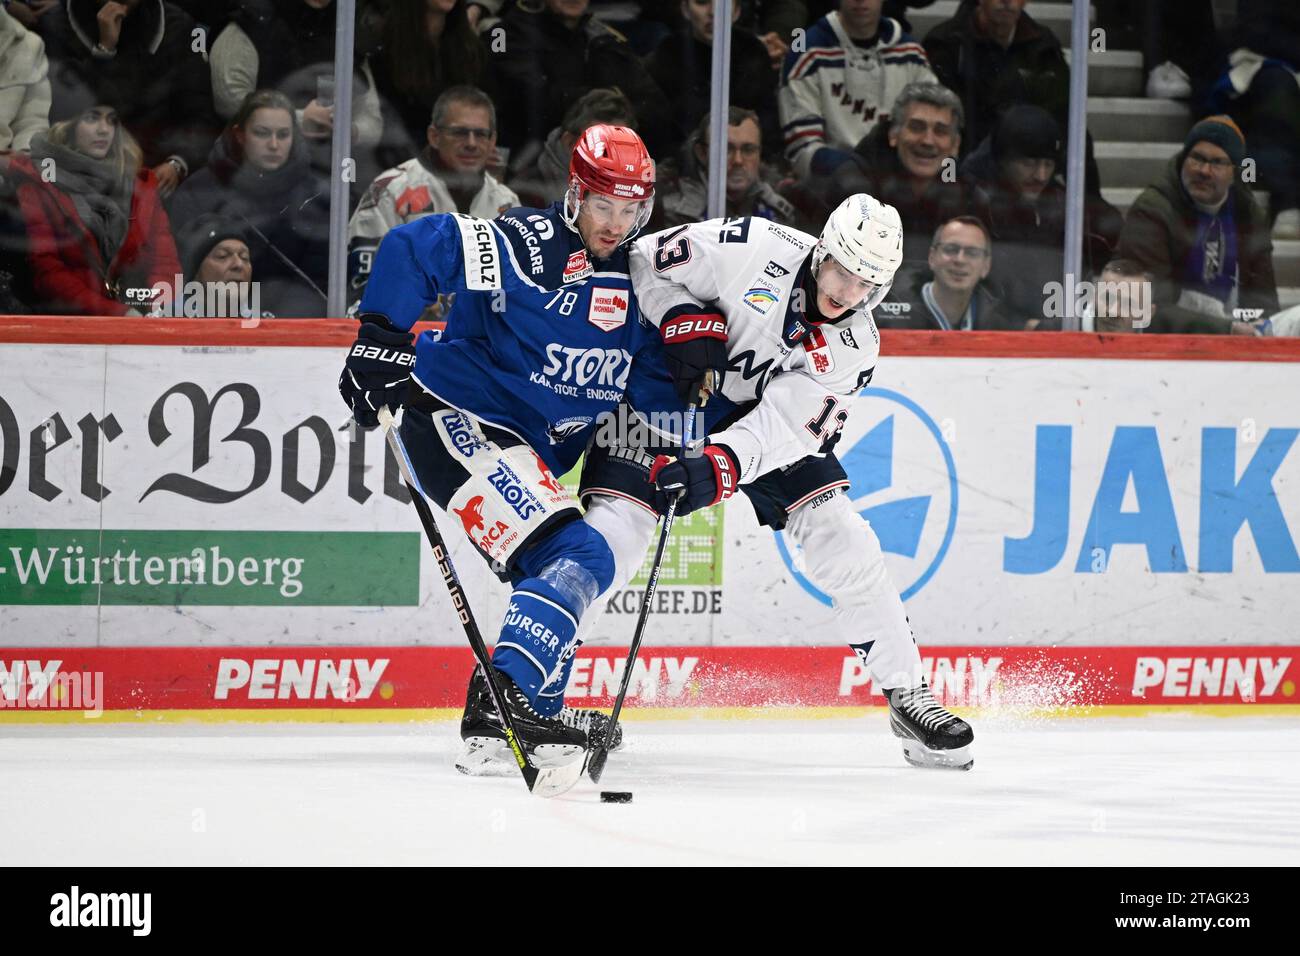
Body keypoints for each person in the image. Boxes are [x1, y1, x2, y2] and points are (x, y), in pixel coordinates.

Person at [576, 194, 976, 771]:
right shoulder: (750, 248)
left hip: (750, 425)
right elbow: (640, 260)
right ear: (822, 251)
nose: (846, 292)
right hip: (660, 398)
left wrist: (721, 464)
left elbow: (785, 426)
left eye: (866, 284)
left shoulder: (855, 347)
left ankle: (906, 691)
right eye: (841, 270)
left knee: (842, 533)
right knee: (612, 538)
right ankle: (528, 692)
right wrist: (679, 317)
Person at [338, 124, 674, 770]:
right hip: (451, 417)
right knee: (577, 550)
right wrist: (380, 334)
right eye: (604, 205)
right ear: (575, 195)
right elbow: (417, 246)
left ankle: (526, 709)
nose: (615, 223)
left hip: (514, 448)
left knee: (565, 564)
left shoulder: (641, 285)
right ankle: (502, 700)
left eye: (631, 209)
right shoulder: (533, 245)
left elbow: (663, 379)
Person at [347, 86, 518, 305]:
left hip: (481, 337)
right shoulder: (392, 190)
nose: (471, 143)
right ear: (434, 136)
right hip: (405, 332)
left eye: (481, 134)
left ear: (493, 141)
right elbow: (361, 285)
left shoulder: (507, 203)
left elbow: (519, 290)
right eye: (460, 132)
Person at [7, 102, 180, 316]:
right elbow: (48, 270)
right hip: (68, 325)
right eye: (92, 118)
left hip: (142, 321)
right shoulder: (40, 181)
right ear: (66, 126)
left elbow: (163, 261)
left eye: (112, 120)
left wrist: (158, 308)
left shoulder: (139, 186)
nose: (104, 129)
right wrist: (116, 313)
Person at [168, 90, 329, 317]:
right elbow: (178, 269)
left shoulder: (315, 197)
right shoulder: (200, 192)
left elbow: (321, 282)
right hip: (208, 322)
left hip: (295, 328)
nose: (274, 145)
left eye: (283, 135)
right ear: (240, 135)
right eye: (262, 133)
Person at [1116, 115, 1277, 335]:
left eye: (1217, 163)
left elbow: (1264, 302)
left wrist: (1255, 327)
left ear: (1234, 172)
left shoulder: (1248, 213)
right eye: (1197, 158)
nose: (1204, 170)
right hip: (1166, 346)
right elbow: (1149, 308)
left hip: (1238, 336)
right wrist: (1226, 329)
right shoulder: (1152, 211)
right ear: (1184, 159)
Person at [41, 0, 219, 198]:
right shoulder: (55, 25)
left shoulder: (177, 26)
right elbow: (60, 117)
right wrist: (104, 50)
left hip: (158, 174)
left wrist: (178, 162)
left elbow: (200, 113)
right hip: (80, 176)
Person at [962, 104, 1120, 325]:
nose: (1040, 175)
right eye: (1029, 163)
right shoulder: (978, 207)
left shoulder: (1068, 206)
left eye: (1048, 164)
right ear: (1003, 159)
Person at [821, 81, 968, 288]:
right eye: (916, 127)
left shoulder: (969, 194)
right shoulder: (852, 187)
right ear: (893, 134)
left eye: (941, 131)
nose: (928, 140)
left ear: (955, 145)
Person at [778, 0, 936, 180]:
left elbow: (938, 127)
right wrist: (847, 170)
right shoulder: (807, 53)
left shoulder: (911, 54)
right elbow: (802, 148)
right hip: (832, 182)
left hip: (899, 177)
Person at [490, 0, 671, 155]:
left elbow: (654, 107)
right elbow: (531, 100)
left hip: (614, 158)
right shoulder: (503, 34)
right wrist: (609, 102)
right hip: (533, 164)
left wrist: (617, 115)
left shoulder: (603, 38)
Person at [644, 0, 779, 158]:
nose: (714, 12)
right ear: (685, 9)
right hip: (687, 166)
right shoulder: (665, 57)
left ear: (737, 12)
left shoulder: (754, 52)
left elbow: (769, 129)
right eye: (702, 2)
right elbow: (663, 137)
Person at [656, 108, 798, 229]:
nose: (738, 160)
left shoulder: (778, 213)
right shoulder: (673, 212)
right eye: (726, 149)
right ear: (702, 154)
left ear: (759, 154)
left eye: (748, 150)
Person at [879, 216, 1020, 330]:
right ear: (932, 257)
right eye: (951, 249)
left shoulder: (1000, 323)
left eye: (972, 253)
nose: (960, 260)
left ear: (986, 266)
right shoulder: (886, 313)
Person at [507, 87, 636, 211]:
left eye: (620, 147)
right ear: (569, 143)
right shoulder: (527, 194)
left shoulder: (636, 197)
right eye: (599, 145)